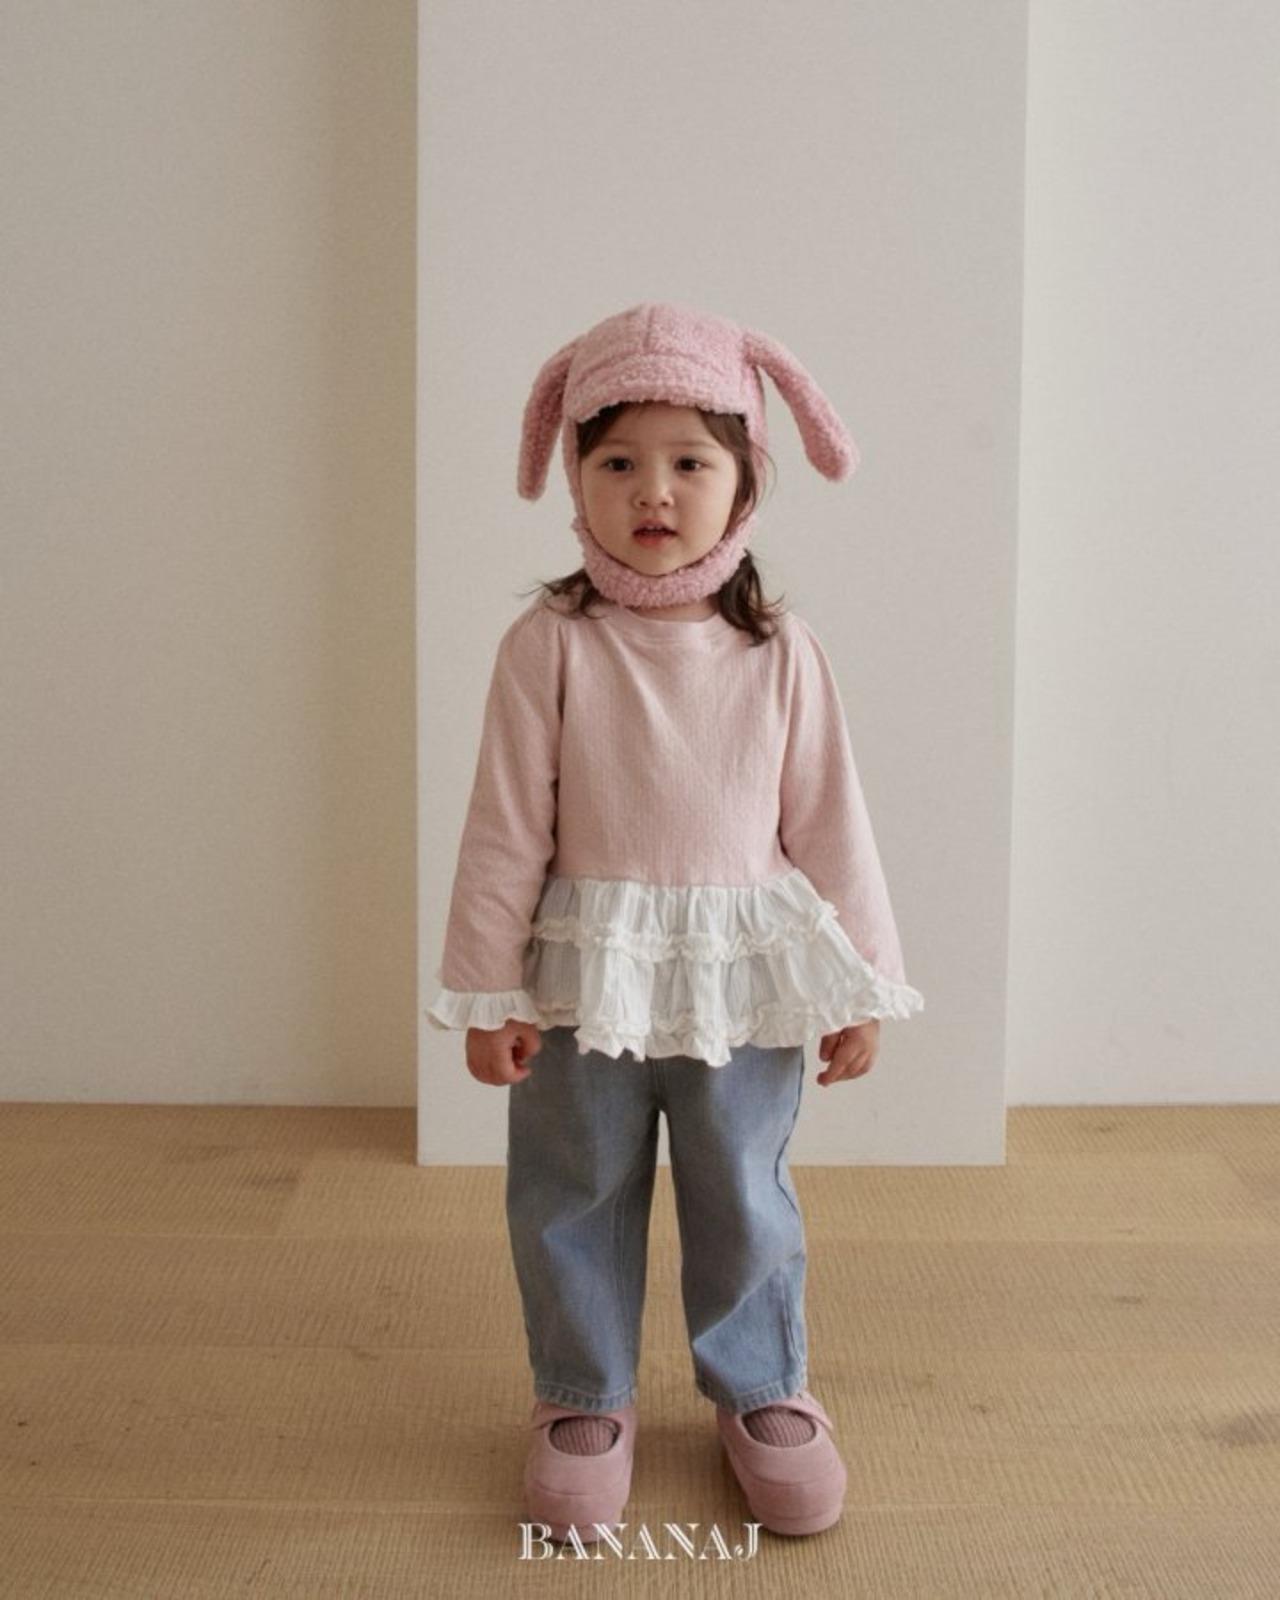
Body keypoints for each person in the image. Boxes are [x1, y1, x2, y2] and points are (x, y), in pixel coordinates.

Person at [429, 303, 922, 1540]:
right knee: (572, 1186)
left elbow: (832, 822)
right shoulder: (548, 644)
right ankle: (580, 1392)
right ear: (574, 480)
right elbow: (503, 827)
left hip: (737, 983)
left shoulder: (780, 651)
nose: (652, 490)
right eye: (617, 461)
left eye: (689, 460)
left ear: (745, 482)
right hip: (581, 981)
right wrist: (487, 991)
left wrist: (861, 980)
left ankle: (760, 1385)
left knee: (741, 1187)